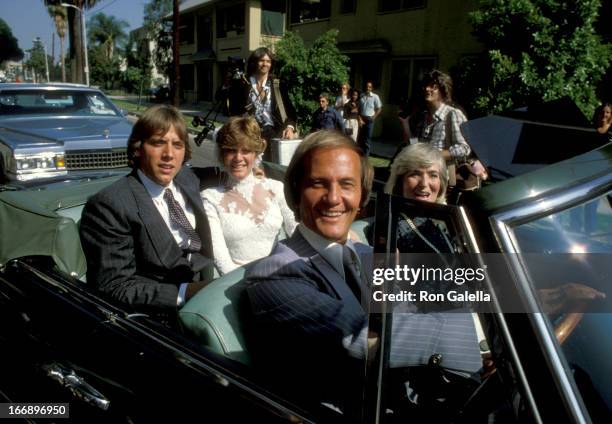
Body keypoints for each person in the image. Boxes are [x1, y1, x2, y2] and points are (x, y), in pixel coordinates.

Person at [245, 131, 482, 413]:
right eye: (318, 184)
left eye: (347, 184)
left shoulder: (367, 254)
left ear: (362, 196)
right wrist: (485, 339)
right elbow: (362, 338)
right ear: (296, 193)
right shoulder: (274, 274)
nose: (333, 198)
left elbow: (407, 311)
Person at [80, 105, 214, 315]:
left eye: (177, 145)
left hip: (207, 290)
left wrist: (250, 172)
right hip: (160, 315)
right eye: (158, 143)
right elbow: (113, 288)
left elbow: (213, 173)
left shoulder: (186, 178)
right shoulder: (110, 205)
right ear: (138, 148)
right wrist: (186, 293)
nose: (169, 154)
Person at [201, 117, 297, 276]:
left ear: (256, 154)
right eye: (231, 150)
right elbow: (222, 260)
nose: (238, 158)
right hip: (237, 281)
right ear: (222, 154)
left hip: (282, 271)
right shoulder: (210, 198)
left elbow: (296, 232)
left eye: (245, 151)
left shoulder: (276, 188)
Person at [242, 47, 297, 146]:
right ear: (255, 62)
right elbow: (235, 110)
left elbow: (291, 112)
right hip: (249, 136)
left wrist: (289, 128)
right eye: (261, 60)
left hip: (274, 135)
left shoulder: (278, 85)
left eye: (268, 61)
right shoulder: (244, 83)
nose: (265, 64)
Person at [417, 70, 470, 162]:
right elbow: (416, 145)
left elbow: (465, 149)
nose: (427, 89)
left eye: (433, 87)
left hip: (443, 173)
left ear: (443, 90)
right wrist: (405, 124)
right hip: (423, 171)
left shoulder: (453, 114)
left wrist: (435, 155)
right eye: (426, 85)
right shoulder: (425, 116)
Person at [358, 81, 382, 156]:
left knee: (367, 139)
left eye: (369, 87)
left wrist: (373, 117)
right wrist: (360, 119)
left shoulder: (375, 96)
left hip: (369, 119)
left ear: (372, 88)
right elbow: (358, 108)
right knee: (360, 138)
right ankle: (360, 154)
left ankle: (366, 156)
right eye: (366, 86)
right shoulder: (361, 95)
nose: (367, 88)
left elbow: (379, 108)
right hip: (362, 119)